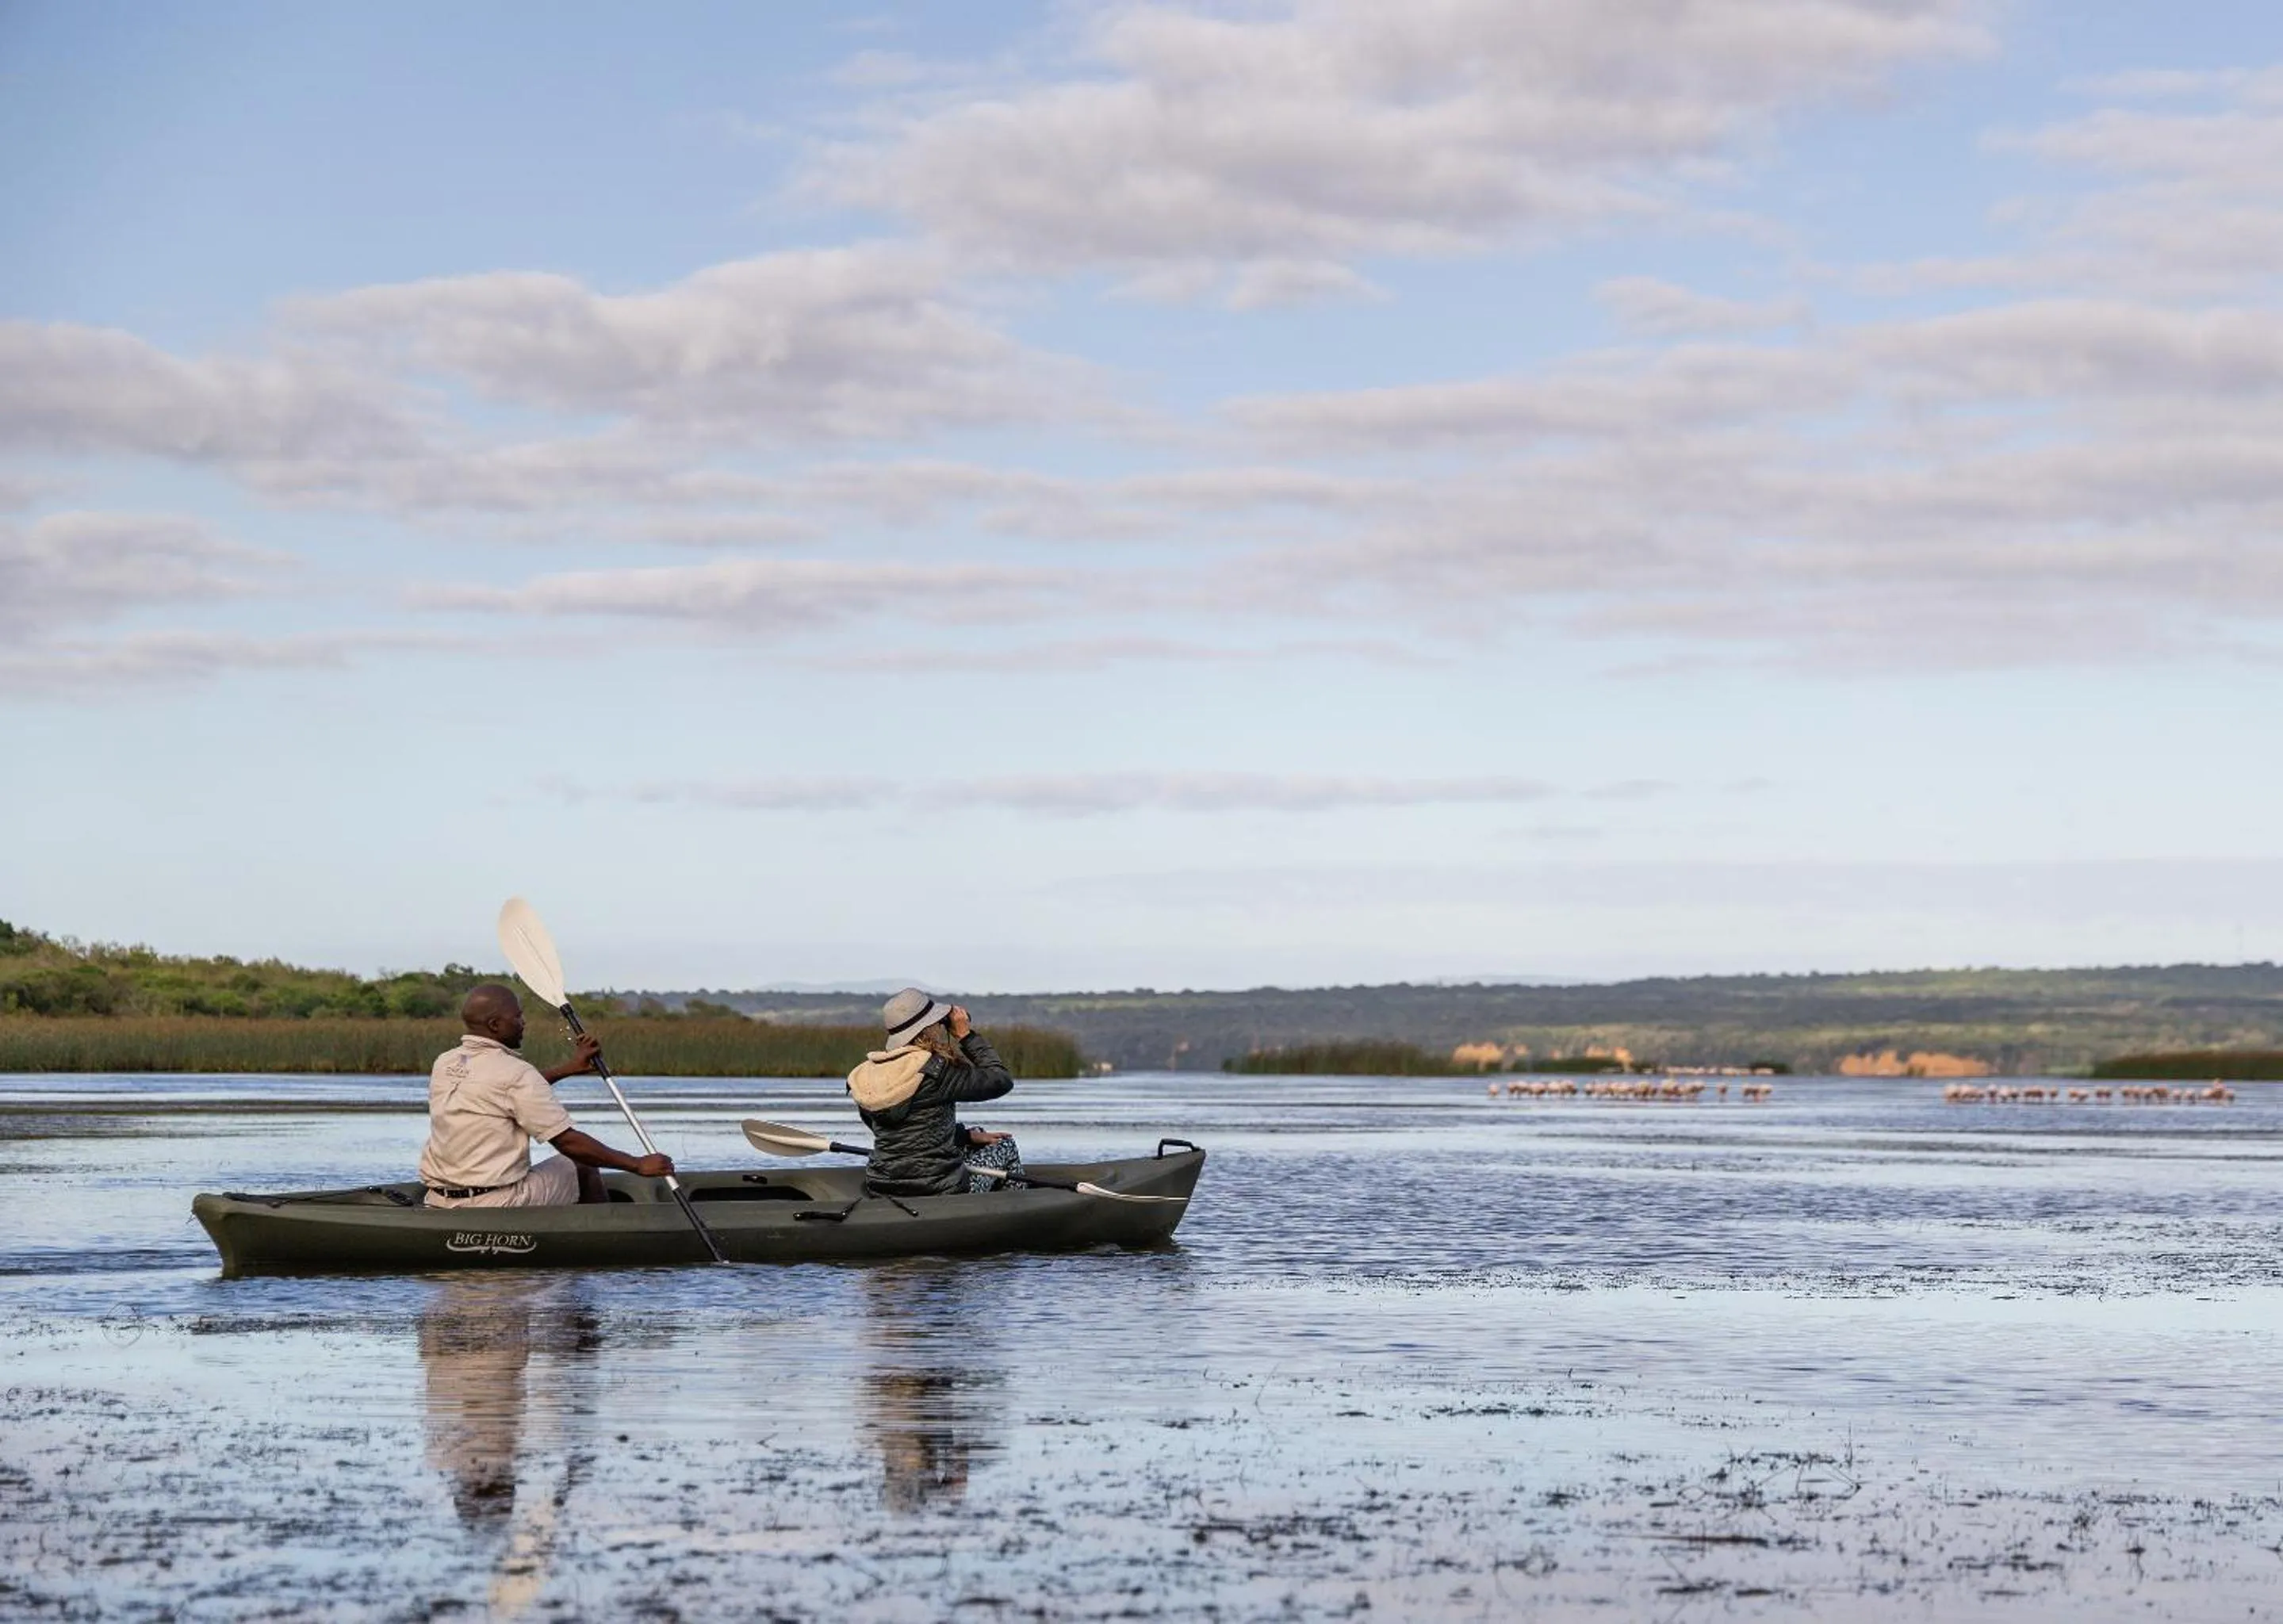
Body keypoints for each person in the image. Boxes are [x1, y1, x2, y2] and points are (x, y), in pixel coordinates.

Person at [419, 982, 672, 1208]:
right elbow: (567, 1143)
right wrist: (637, 1164)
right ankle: (601, 1245)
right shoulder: (516, 1073)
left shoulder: (446, 1063)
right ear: (495, 1025)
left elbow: (500, 1090)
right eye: (517, 1016)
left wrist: (571, 1068)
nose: (523, 1022)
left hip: (439, 1199)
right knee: (581, 1167)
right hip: (498, 1202)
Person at [846, 988, 1023, 1197]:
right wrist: (966, 1036)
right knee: (1005, 1145)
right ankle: (1011, 1211)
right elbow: (1000, 1080)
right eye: (937, 1022)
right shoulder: (937, 1070)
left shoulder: (870, 1074)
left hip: (881, 1185)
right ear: (928, 1028)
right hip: (939, 1190)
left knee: (976, 1133)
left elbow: (904, 1134)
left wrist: (966, 1136)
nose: (940, 1027)